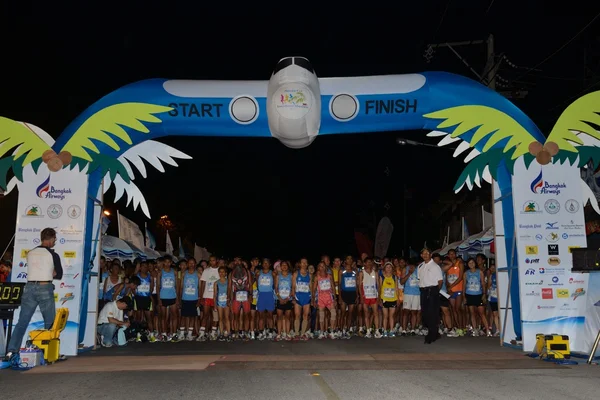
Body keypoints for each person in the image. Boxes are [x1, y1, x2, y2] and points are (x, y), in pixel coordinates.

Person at [4, 228, 63, 361]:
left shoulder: (30, 253)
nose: (55, 241)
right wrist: (51, 271)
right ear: (52, 238)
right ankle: (49, 353)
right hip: (44, 287)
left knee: (22, 321)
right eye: (54, 239)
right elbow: (58, 274)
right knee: (50, 322)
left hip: (29, 287)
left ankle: (11, 351)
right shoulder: (53, 255)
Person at [418, 248, 443, 344]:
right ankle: (435, 332)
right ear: (421, 255)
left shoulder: (435, 266)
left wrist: (435, 291)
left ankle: (431, 335)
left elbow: (440, 281)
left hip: (432, 290)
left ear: (430, 254)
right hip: (423, 291)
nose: (425, 255)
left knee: (432, 313)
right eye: (423, 253)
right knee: (425, 314)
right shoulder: (421, 266)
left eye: (427, 253)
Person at [464, 258, 491, 336]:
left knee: (481, 313)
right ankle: (475, 330)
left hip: (478, 294)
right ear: (468, 265)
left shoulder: (480, 272)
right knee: (472, 313)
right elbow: (464, 285)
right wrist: (463, 296)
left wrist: (484, 294)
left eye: (472, 262)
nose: (471, 264)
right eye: (469, 263)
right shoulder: (466, 273)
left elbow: (483, 283)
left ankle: (487, 330)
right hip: (469, 294)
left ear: (475, 263)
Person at [292, 258, 311, 339]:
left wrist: (312, 298)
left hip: (306, 297)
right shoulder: (296, 274)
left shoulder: (309, 275)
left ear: (307, 264)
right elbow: (293, 287)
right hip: (298, 297)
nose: (304, 264)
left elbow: (311, 287)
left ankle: (302, 333)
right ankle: (296, 333)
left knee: (305, 315)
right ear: (299, 264)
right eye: (302, 262)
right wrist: (293, 297)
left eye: (305, 262)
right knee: (297, 315)